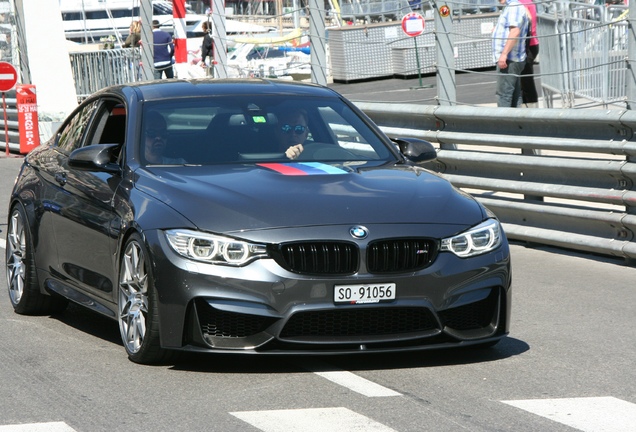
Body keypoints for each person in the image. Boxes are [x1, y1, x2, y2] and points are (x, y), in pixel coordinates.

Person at [492, 0, 530, 107]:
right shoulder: (510, 6)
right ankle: (516, 122)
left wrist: (504, 54)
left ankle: (505, 123)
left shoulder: (514, 6)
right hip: (512, 58)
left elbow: (515, 31)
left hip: (510, 59)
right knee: (514, 95)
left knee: (504, 95)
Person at [519, 0, 539, 108]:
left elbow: (528, 24)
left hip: (529, 45)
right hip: (530, 45)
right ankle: (527, 106)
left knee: (526, 79)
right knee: (524, 79)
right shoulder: (525, 2)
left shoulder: (523, 3)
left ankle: (532, 107)